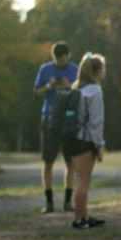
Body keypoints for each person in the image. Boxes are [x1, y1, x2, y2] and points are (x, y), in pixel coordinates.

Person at [33, 41, 78, 214]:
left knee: (70, 162)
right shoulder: (45, 69)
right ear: (53, 57)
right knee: (48, 161)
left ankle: (68, 201)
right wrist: (48, 86)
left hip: (69, 119)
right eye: (57, 60)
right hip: (50, 117)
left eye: (63, 59)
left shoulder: (75, 69)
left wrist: (70, 86)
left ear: (68, 55)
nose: (60, 63)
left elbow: (81, 91)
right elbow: (36, 92)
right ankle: (49, 201)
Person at [64, 53, 106, 230]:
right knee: (83, 181)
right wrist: (99, 145)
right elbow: (95, 122)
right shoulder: (95, 91)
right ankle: (79, 219)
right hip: (85, 141)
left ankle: (84, 215)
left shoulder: (77, 88)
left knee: (79, 179)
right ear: (97, 71)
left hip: (72, 139)